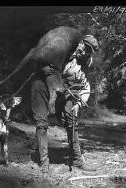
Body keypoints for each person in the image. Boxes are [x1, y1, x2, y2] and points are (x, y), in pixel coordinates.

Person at [31, 35, 100, 173]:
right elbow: (40, 61)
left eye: (88, 51)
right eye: (85, 47)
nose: (85, 52)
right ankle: (44, 161)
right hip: (41, 86)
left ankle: (77, 160)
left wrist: (78, 104)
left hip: (62, 91)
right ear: (80, 43)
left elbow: (85, 86)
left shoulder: (84, 63)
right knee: (41, 123)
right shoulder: (62, 49)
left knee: (72, 120)